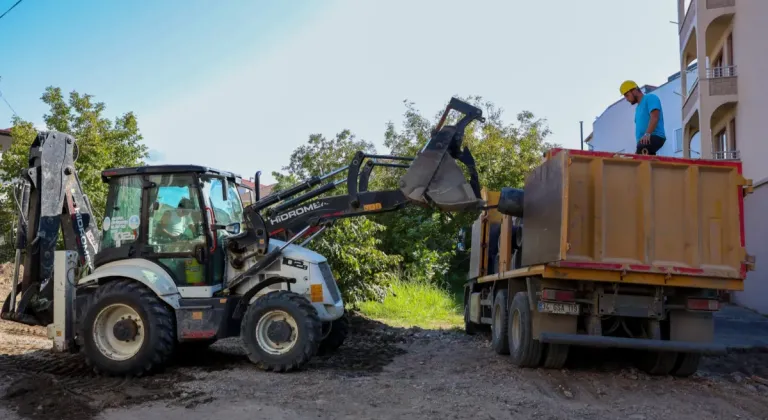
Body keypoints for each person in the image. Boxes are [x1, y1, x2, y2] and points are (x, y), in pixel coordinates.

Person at [620, 80, 667, 155]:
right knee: (646, 160)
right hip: (644, 141)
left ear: (634, 90)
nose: (626, 99)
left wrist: (647, 134)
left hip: (654, 136)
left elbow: (655, 117)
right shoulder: (638, 109)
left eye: (627, 95)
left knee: (639, 157)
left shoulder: (650, 98)